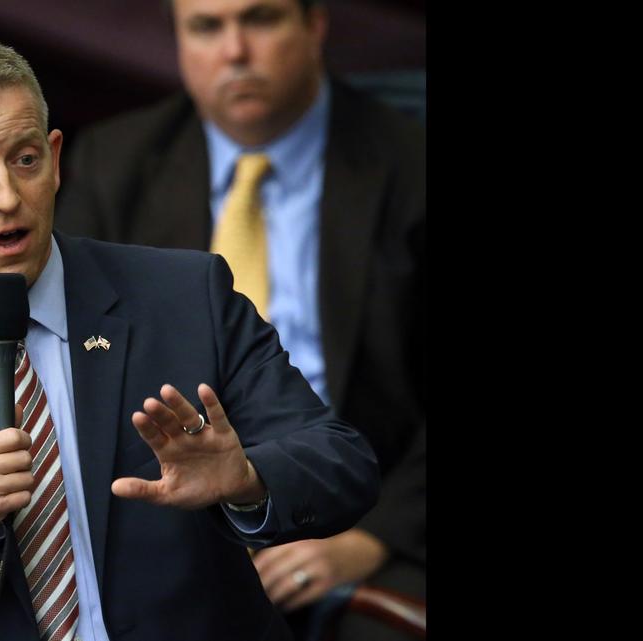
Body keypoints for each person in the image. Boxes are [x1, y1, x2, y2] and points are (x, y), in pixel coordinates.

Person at [0, 36, 379, 641]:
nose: (7, 197)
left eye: (25, 159)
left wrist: (247, 478)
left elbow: (343, 462)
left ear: (56, 159)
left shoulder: (186, 296)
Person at [55, 1, 425, 639]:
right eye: (206, 27)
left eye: (259, 20)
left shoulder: (411, 166)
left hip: (365, 512)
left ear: (315, 25)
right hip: (172, 518)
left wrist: (373, 536)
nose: (234, 51)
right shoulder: (112, 165)